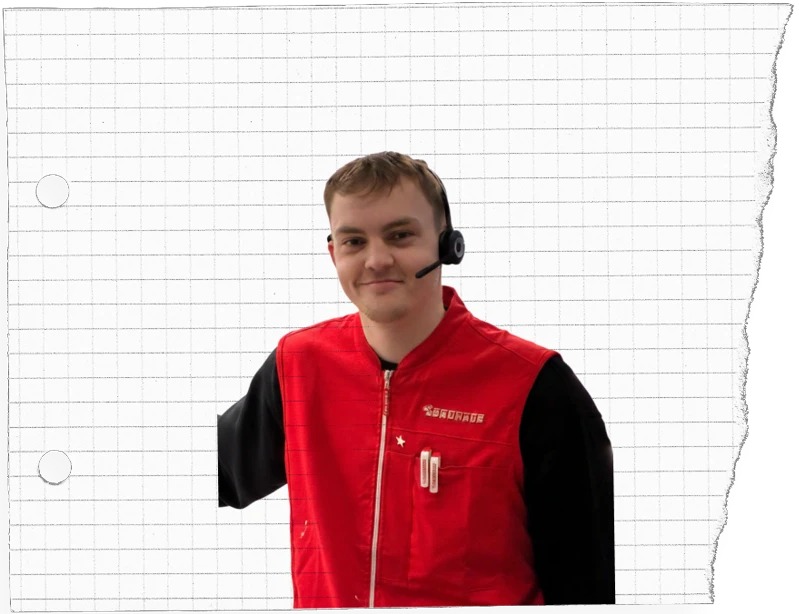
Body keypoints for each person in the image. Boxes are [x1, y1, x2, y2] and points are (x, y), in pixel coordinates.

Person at [217, 151, 615, 607]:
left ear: (448, 244)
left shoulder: (535, 385)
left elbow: (587, 586)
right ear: (334, 253)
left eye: (400, 235)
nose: (376, 260)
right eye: (354, 241)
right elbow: (214, 474)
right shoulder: (297, 367)